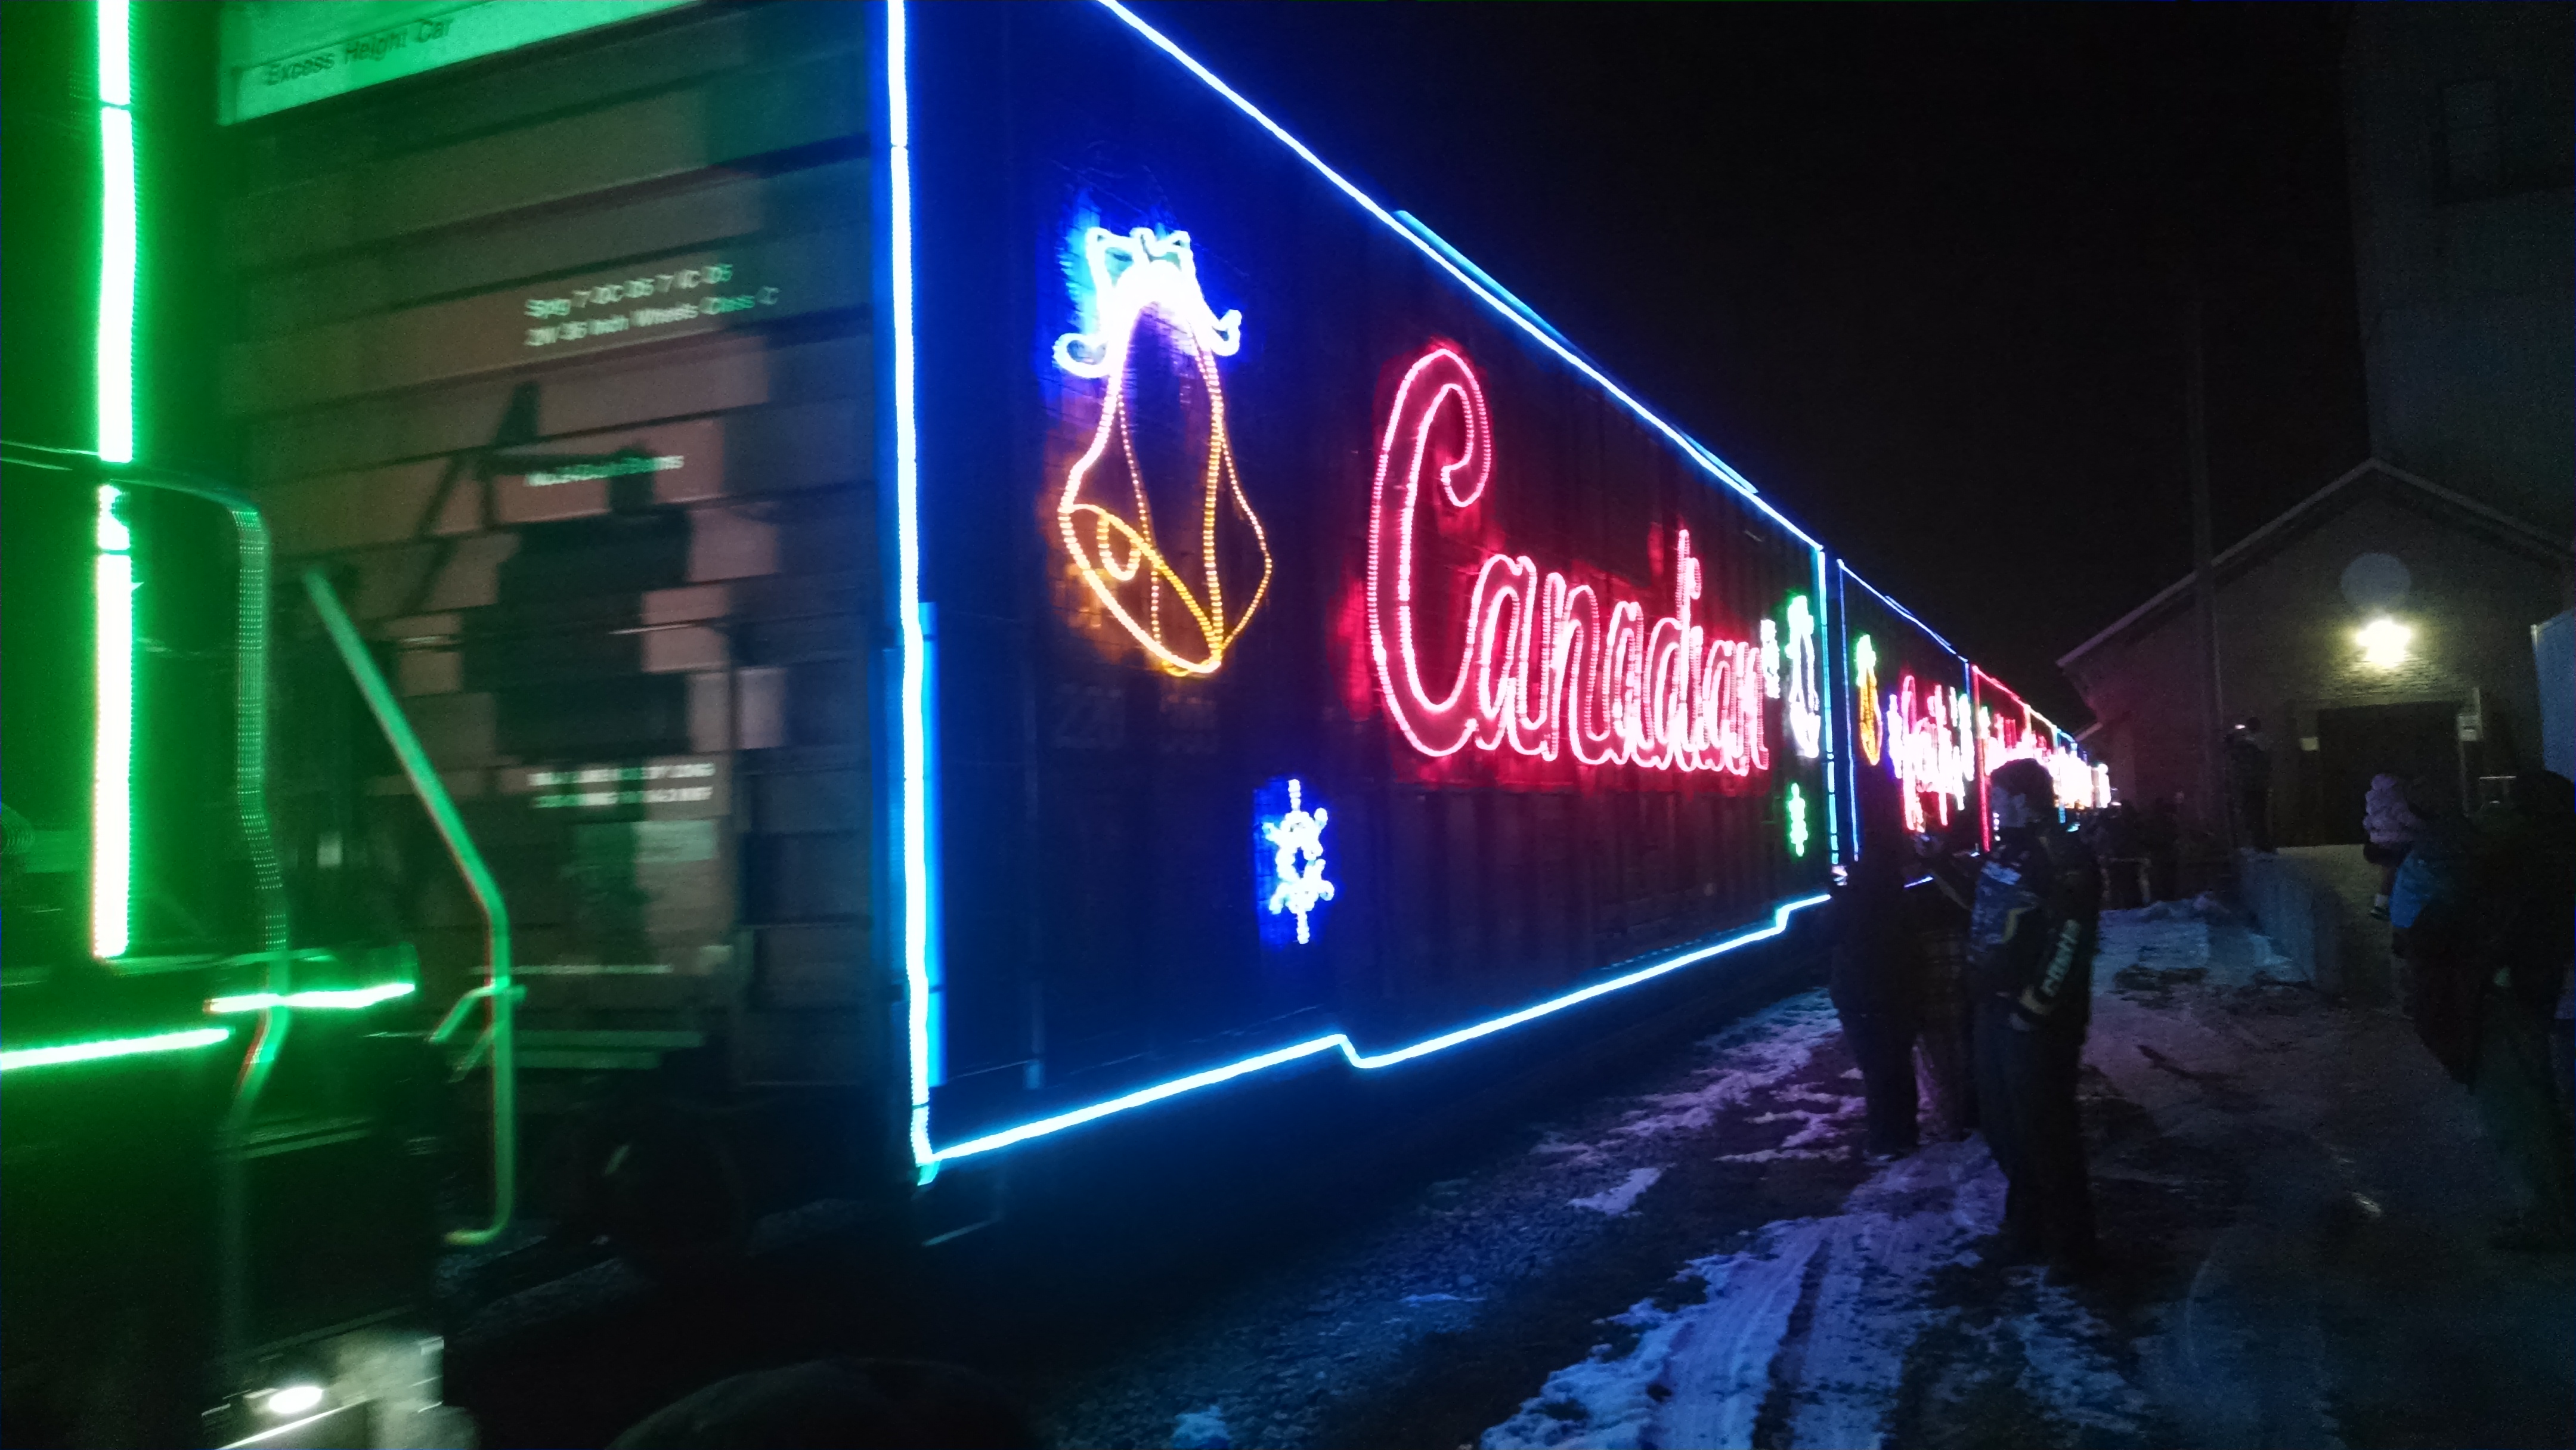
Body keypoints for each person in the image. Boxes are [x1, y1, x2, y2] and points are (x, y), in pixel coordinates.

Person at [2410, 772, 2576, 1251]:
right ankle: (2554, 1209)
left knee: (2518, 1112)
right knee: (2540, 1104)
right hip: (2537, 995)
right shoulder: (2552, 855)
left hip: (2508, 995)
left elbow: (2452, 927)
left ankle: (2547, 1218)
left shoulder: (2514, 862)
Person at [1958, 757, 2104, 1278]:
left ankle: (2072, 1247)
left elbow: (2072, 936)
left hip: (2034, 1019)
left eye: (1998, 795)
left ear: (2022, 798)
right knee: (2004, 1127)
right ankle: (2026, 1228)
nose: (1993, 803)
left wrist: (2035, 1006)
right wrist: (1940, 864)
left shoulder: (2062, 854)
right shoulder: (2010, 848)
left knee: (2045, 1131)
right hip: (1995, 1008)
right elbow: (1987, 905)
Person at [1826, 825, 1921, 1161]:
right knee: (1899, 1064)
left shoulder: (1852, 900)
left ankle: (1884, 1140)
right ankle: (1906, 1133)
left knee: (1876, 1070)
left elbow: (1822, 933)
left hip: (1861, 996)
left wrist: (1837, 893)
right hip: (1901, 993)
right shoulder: (1902, 898)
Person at [2362, 773, 2420, 921]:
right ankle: (2390, 905)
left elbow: (2368, 822)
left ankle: (2381, 903)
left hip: (2379, 842)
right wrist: (2422, 825)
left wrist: (2374, 834)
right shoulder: (2397, 801)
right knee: (2400, 873)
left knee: (2388, 874)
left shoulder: (2374, 802)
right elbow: (2406, 819)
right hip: (2399, 842)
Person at [2225, 715, 2274, 853]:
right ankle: (2260, 843)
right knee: (2257, 814)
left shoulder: (2254, 742)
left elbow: (2237, 749)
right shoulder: (2259, 741)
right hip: (2257, 783)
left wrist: (2233, 735)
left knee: (2255, 814)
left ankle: (2261, 843)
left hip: (2253, 784)